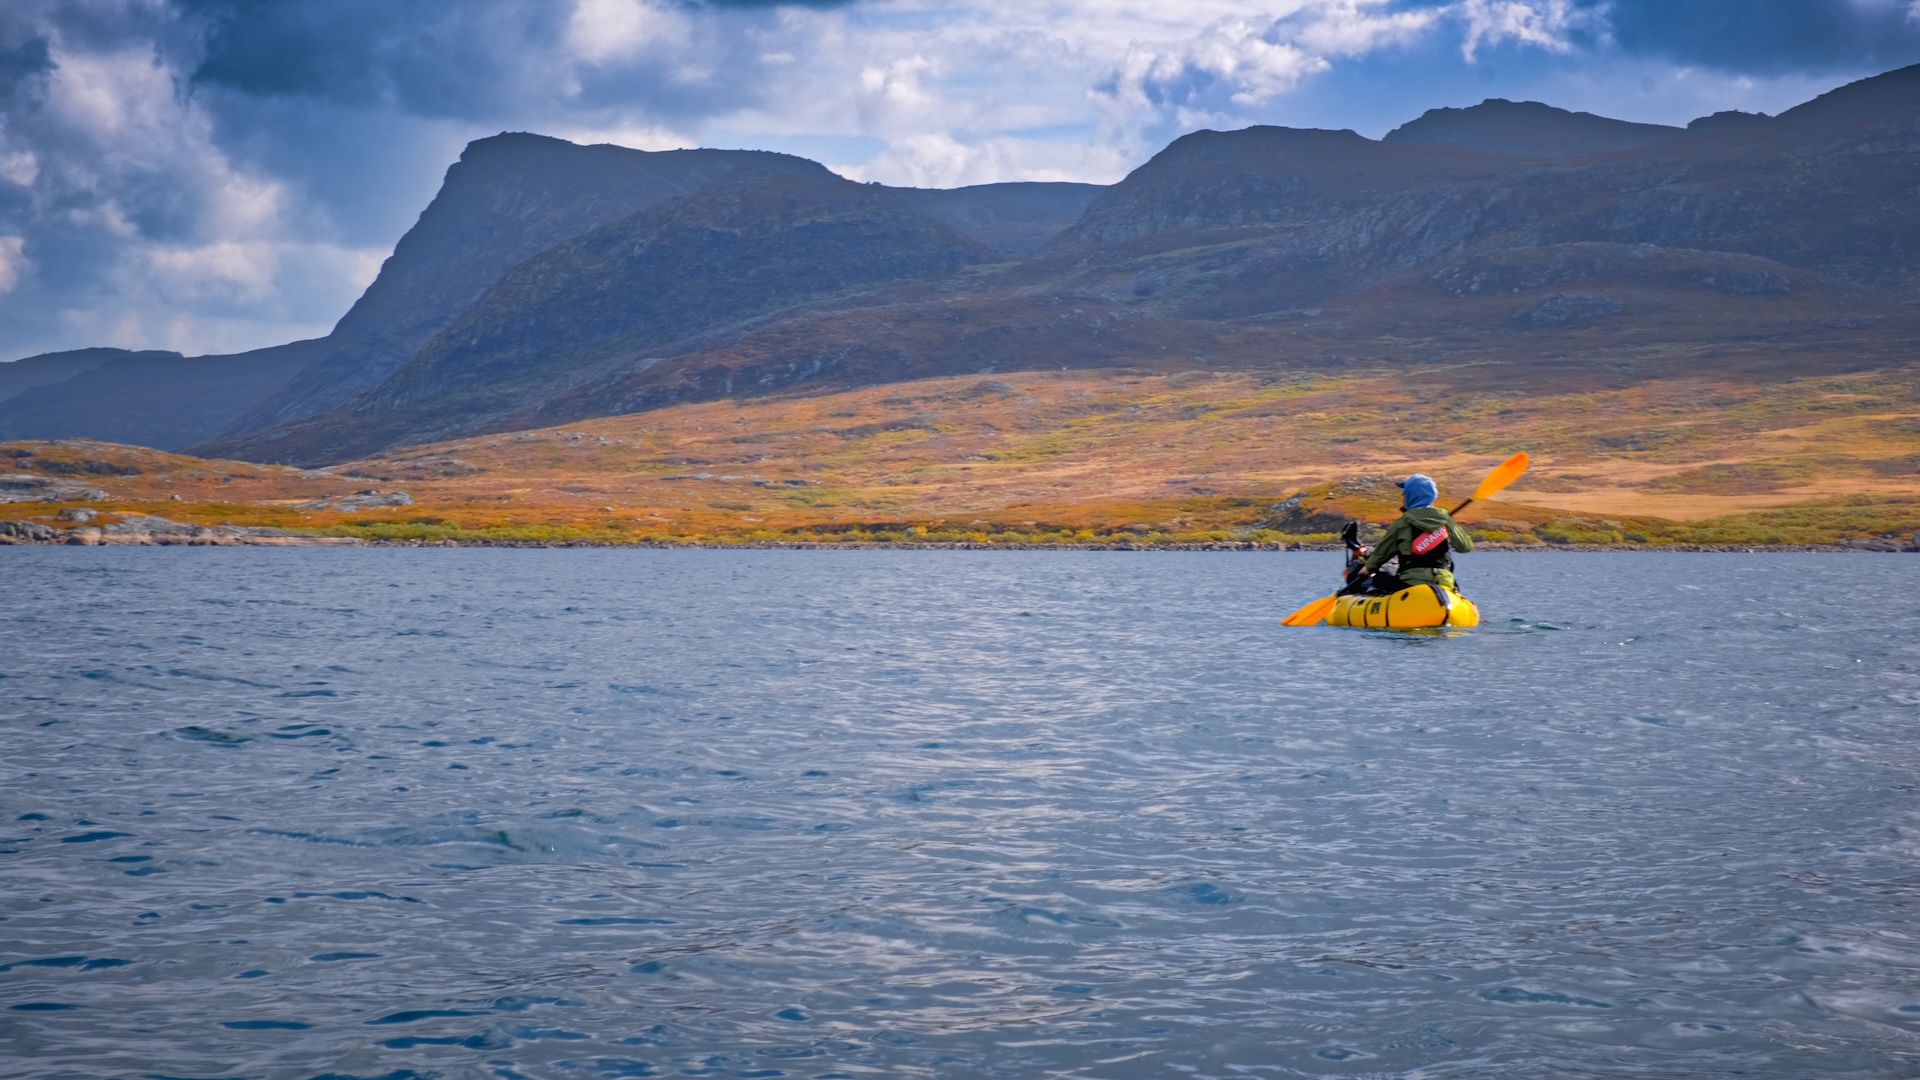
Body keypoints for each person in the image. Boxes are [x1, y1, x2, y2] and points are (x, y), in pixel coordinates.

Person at [1343, 473, 1473, 596]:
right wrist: (1448, 523)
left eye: (1404, 493)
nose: (1402, 496)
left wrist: (1360, 574)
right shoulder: (1445, 519)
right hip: (1444, 581)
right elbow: (1465, 546)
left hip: (1410, 583)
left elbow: (1378, 558)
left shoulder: (1402, 524)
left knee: (1378, 581)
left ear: (1411, 496)